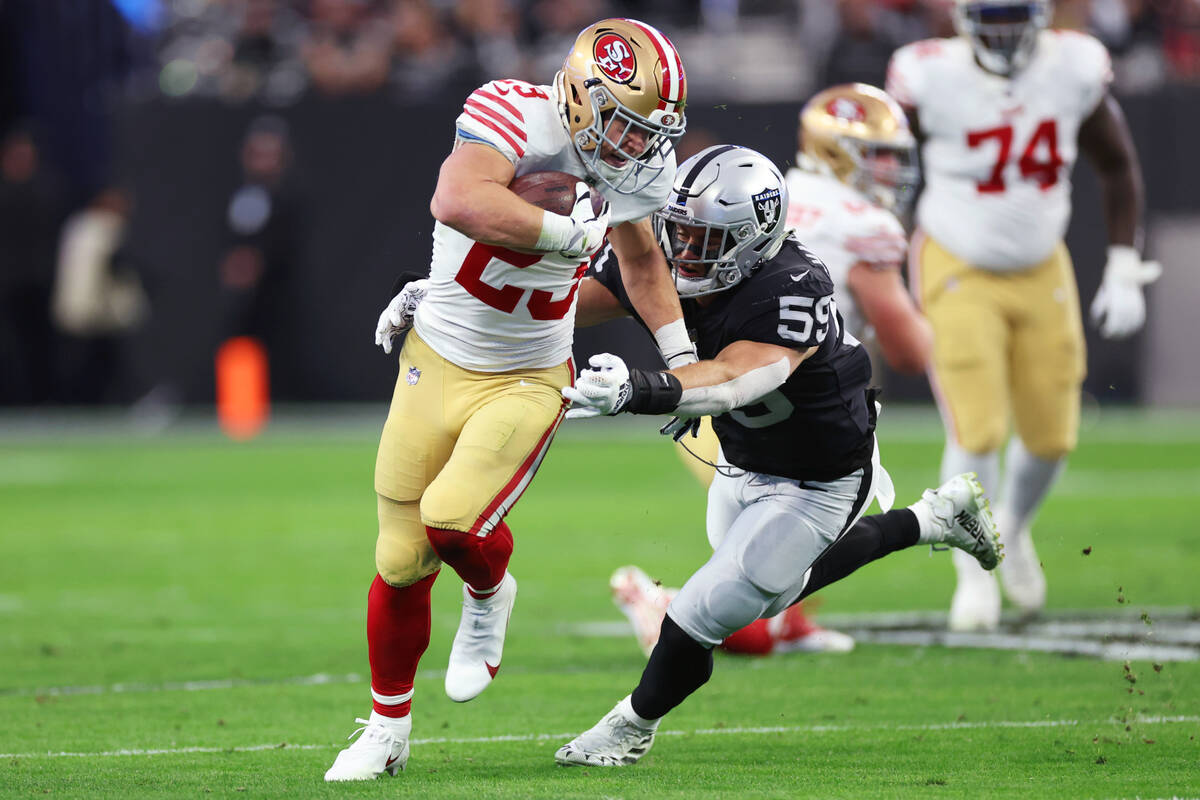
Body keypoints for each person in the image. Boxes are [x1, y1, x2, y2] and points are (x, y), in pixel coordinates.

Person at [325, 18, 694, 782]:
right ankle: (387, 730)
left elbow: (640, 269)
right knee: (398, 559)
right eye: (625, 126)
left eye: (648, 132)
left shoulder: (634, 170)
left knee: (454, 518)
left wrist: (683, 364)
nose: (636, 147)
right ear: (583, 99)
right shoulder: (512, 112)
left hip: (528, 374)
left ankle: (491, 591)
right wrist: (562, 238)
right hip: (437, 356)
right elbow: (457, 200)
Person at [552, 144, 1001, 767]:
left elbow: (736, 380)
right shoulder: (668, 255)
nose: (683, 252)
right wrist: (465, 304)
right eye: (678, 232)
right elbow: (559, 306)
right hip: (744, 462)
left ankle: (629, 728)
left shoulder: (790, 285)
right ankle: (929, 520)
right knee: (763, 595)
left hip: (820, 477)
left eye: (703, 240)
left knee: (707, 610)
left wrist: (639, 389)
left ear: (750, 241)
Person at [601, 82, 934, 657]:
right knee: (744, 602)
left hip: (770, 393)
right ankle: (658, 604)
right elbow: (911, 353)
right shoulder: (858, 223)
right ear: (838, 151)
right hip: (742, 399)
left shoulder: (771, 189)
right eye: (878, 153)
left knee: (772, 571)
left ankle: (791, 612)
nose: (890, 170)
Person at [885, 0, 1160, 631]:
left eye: (1015, 16)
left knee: (1053, 434)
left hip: (1041, 265)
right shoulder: (931, 74)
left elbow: (1117, 162)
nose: (1003, 32)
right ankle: (972, 570)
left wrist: (1124, 263)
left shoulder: (1073, 66)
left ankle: (1011, 527)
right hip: (956, 257)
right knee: (977, 427)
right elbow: (890, 158)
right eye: (991, 17)